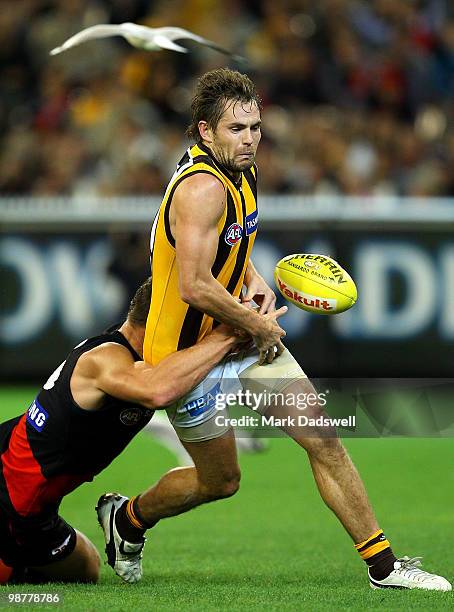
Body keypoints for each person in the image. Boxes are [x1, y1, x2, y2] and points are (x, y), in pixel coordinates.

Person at [97, 69, 451, 591]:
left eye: (255, 127)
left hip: (240, 337)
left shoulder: (244, 173)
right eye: (236, 129)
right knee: (221, 482)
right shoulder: (200, 189)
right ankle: (127, 520)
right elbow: (193, 285)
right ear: (205, 131)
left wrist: (255, 281)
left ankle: (385, 566)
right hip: (186, 357)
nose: (250, 139)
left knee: (324, 439)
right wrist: (256, 321)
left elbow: (231, 251)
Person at [0, 277, 266, 585]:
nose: (200, 333)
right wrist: (228, 335)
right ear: (163, 321)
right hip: (13, 499)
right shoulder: (107, 359)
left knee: (86, 569)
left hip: (35, 499)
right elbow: (159, 391)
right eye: (197, 324)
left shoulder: (142, 353)